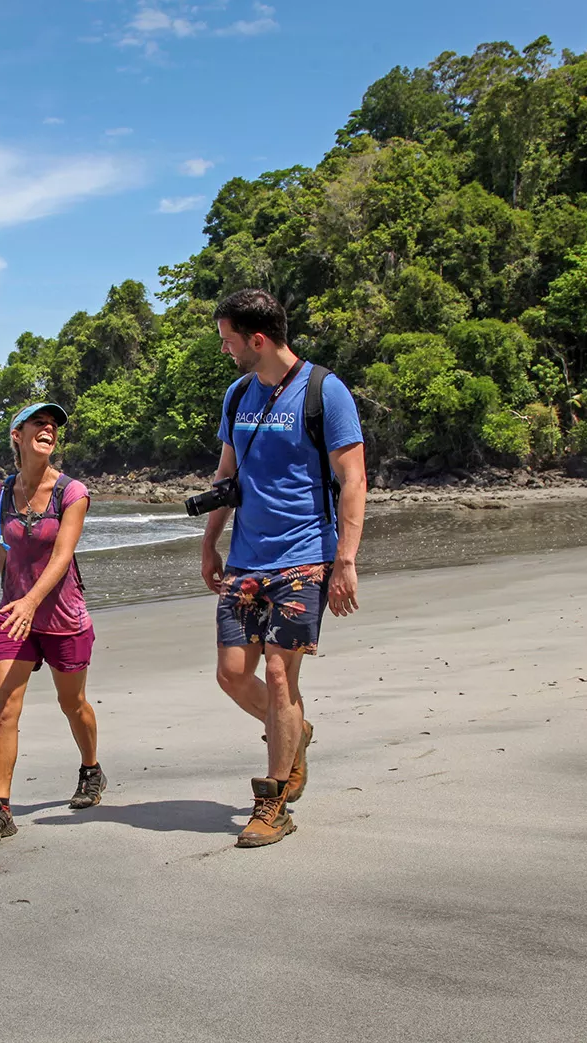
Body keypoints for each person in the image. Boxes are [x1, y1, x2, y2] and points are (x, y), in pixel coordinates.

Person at [199, 288, 366, 848]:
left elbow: (354, 481)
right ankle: (294, 734)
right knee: (231, 673)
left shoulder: (325, 392)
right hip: (246, 558)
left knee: (278, 675)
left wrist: (345, 560)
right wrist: (209, 543)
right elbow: (228, 477)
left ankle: (272, 803)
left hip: (304, 556)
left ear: (258, 339)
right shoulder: (237, 394)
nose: (225, 350)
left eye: (228, 340)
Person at [0, 402, 105, 845]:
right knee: (4, 707)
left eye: (53, 426)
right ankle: (1, 808)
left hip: (62, 615)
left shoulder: (73, 492)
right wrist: (13, 602)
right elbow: (4, 553)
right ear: (17, 434)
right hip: (15, 616)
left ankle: (91, 769)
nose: (48, 429)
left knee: (74, 705)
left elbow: (62, 555)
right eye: (39, 423)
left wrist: (32, 601)